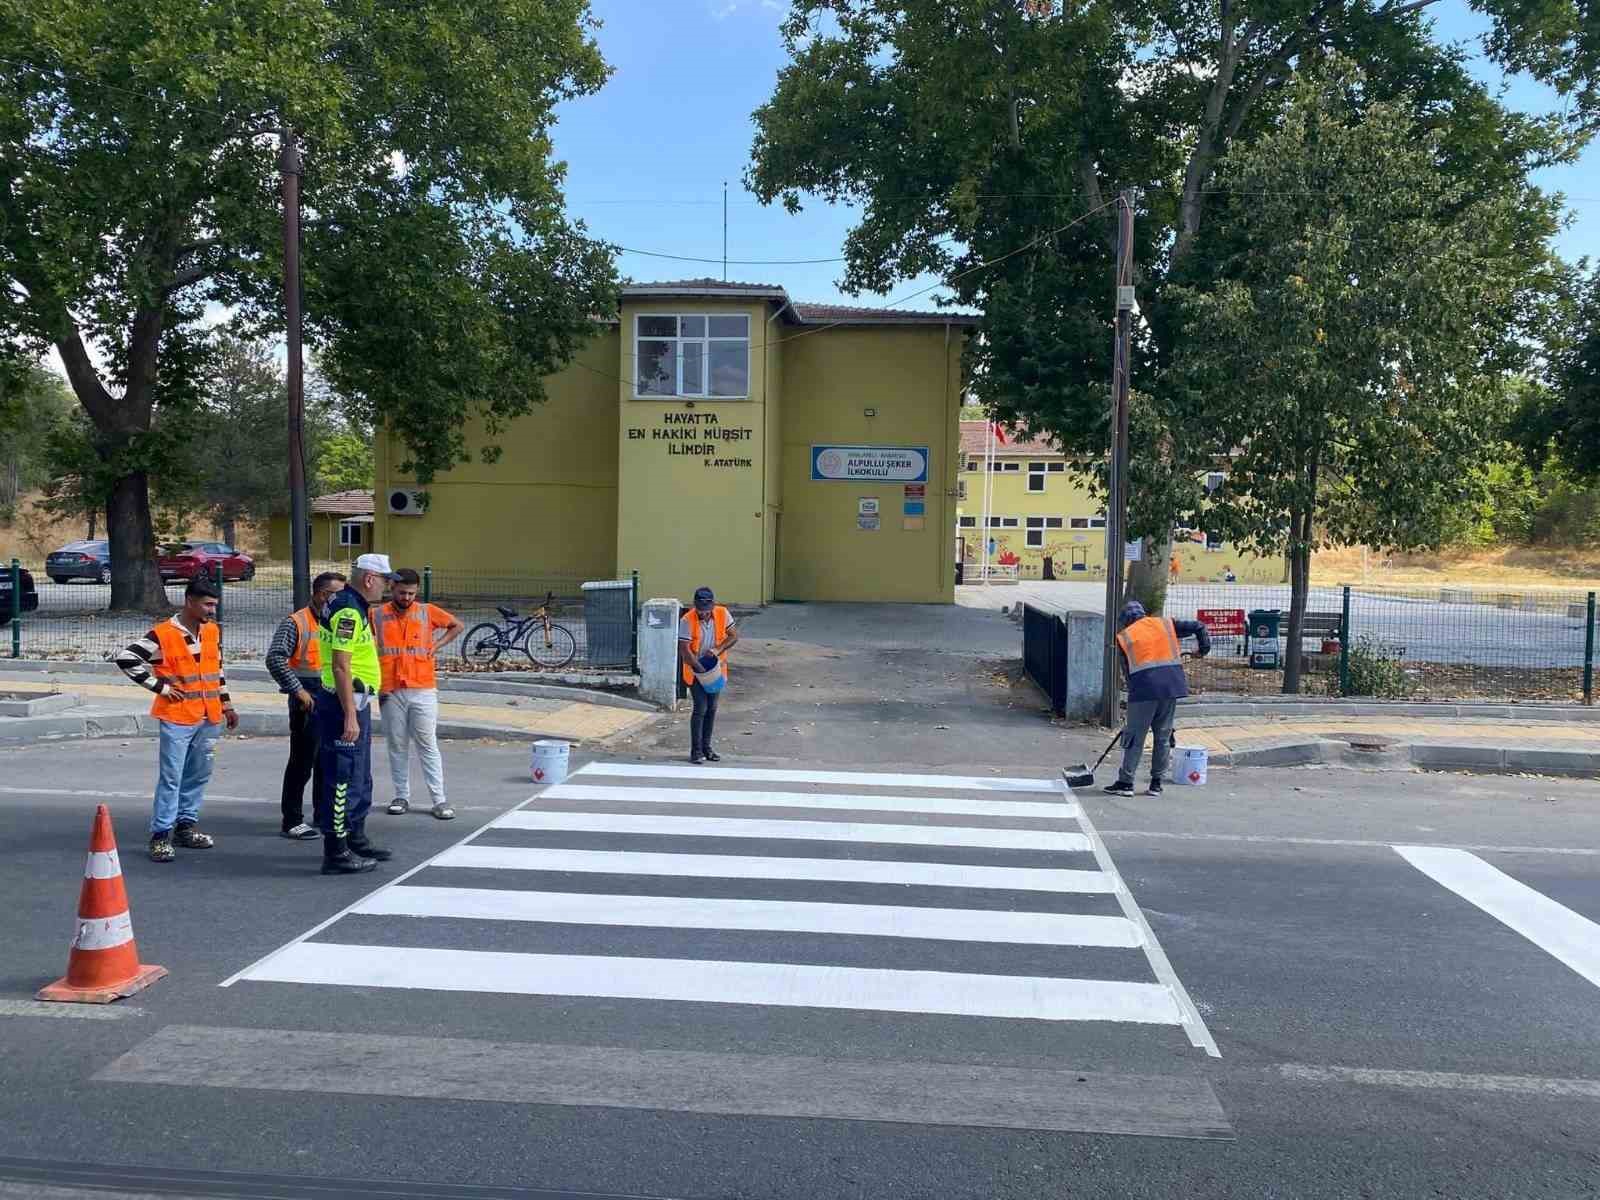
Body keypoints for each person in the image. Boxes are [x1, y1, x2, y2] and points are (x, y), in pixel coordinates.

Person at [114, 580, 239, 862]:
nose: (211, 610)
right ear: (189, 602)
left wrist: (227, 705)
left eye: (214, 605)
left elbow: (217, 670)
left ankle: (185, 827)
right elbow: (126, 658)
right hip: (178, 717)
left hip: (209, 715)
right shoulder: (164, 634)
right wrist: (161, 689)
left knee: (198, 774)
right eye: (207, 605)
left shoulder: (211, 630)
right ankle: (160, 836)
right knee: (172, 777)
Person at [313, 553, 398, 875]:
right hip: (342, 704)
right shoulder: (348, 609)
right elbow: (340, 664)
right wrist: (349, 714)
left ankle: (355, 837)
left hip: (355, 701)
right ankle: (335, 852)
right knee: (343, 777)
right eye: (386, 581)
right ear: (369, 579)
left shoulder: (353, 605)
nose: (388, 587)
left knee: (359, 775)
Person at [374, 567, 465, 819]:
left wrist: (436, 646)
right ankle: (401, 795)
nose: (406, 598)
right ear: (392, 589)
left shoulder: (426, 612)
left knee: (427, 744)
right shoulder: (377, 615)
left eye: (411, 593)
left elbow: (457, 626)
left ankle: (439, 800)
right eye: (402, 592)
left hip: (422, 688)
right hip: (390, 689)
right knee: (397, 745)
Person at [264, 571, 346, 840]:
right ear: (322, 594)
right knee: (302, 761)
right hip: (307, 699)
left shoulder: (337, 621)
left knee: (326, 760)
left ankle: (322, 815)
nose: (341, 598)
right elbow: (275, 658)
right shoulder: (296, 622)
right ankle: (292, 820)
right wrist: (298, 692)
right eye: (336, 594)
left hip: (331, 696)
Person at [1106, 600, 1210, 798]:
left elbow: (1127, 673)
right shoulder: (1165, 624)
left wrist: (1131, 698)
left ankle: (1126, 783)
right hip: (1171, 687)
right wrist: (1203, 650)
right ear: (1143, 614)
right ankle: (1156, 784)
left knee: (1135, 737)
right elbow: (1199, 626)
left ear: (1126, 621)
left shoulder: (1125, 636)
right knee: (1163, 736)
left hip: (1144, 690)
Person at [678, 586, 738, 764]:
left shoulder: (722, 613)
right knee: (701, 708)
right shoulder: (687, 620)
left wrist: (718, 650)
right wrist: (699, 668)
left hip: (716, 669)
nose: (703, 614)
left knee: (712, 708)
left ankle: (707, 748)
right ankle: (695, 751)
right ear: (695, 606)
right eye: (700, 611)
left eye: (706, 611)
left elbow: (733, 636)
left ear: (712, 606)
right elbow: (684, 650)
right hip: (695, 670)